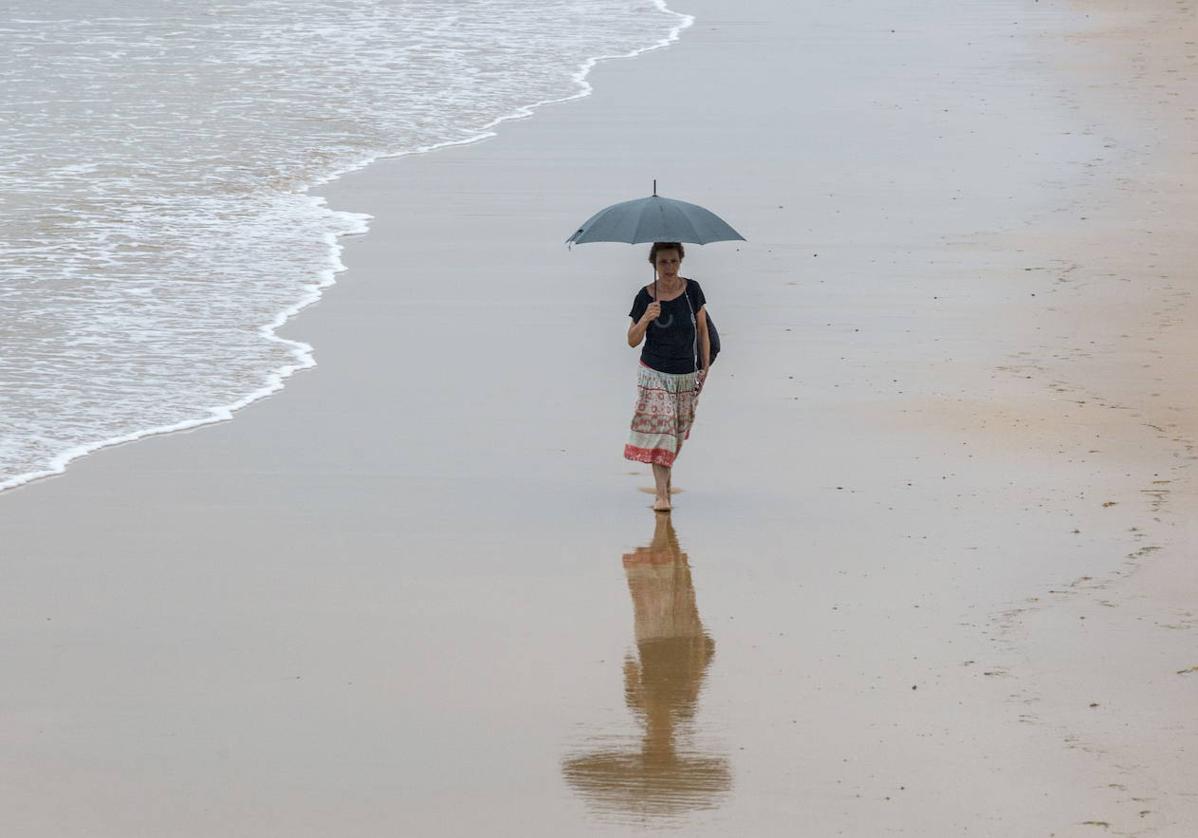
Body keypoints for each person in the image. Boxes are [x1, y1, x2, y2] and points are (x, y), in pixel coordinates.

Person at [624, 242, 711, 512]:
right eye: (663, 262)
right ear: (654, 264)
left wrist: (704, 366)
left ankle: (666, 486)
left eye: (673, 261)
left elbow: (703, 330)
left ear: (680, 261)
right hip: (654, 372)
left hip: (685, 372)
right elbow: (631, 340)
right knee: (662, 429)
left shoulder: (692, 290)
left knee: (673, 434)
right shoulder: (645, 296)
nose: (669, 268)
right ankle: (661, 495)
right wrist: (646, 318)